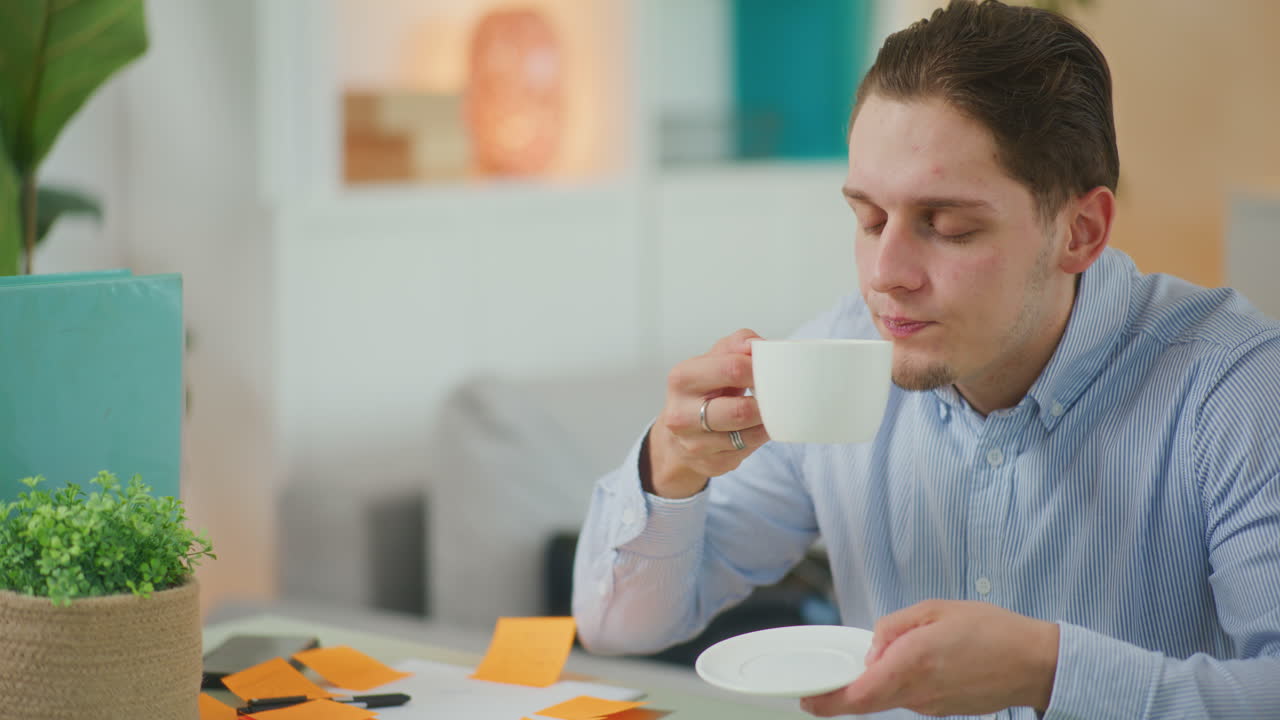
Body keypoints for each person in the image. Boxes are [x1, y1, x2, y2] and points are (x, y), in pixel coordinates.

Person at [571, 1, 1280, 718]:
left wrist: (1050, 672)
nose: (886, 274)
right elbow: (619, 626)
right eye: (869, 218)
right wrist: (673, 465)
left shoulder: (1237, 389)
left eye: (947, 226)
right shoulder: (838, 360)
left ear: (1080, 232)